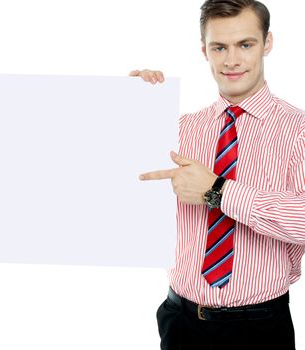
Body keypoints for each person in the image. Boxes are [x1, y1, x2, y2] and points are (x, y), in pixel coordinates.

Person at [131, 1, 305, 349]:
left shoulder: (299, 130)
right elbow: (119, 190)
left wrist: (217, 190)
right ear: (204, 50)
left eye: (245, 44)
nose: (231, 61)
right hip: (180, 322)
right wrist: (131, 108)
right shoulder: (180, 128)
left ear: (267, 43)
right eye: (219, 47)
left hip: (260, 327)